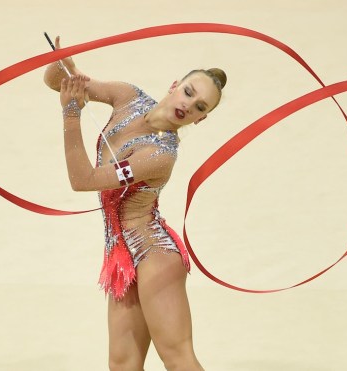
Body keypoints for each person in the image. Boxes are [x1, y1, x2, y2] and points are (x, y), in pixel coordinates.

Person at [44, 36, 226, 371]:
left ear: (200, 119)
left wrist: (71, 114)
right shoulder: (127, 96)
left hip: (154, 252)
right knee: (123, 363)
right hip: (120, 257)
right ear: (175, 86)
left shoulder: (160, 155)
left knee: (177, 357)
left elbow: (82, 180)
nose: (189, 104)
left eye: (201, 107)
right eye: (189, 91)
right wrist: (61, 65)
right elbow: (57, 82)